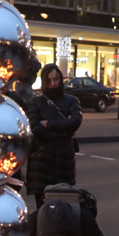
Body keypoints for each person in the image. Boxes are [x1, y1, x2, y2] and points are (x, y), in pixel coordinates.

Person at [24, 64, 82, 207]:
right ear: (44, 82)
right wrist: (64, 131)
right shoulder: (36, 102)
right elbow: (35, 128)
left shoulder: (71, 100)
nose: (53, 84)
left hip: (64, 165)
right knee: (43, 213)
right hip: (41, 165)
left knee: (63, 212)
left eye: (56, 79)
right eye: (49, 81)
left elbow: (75, 122)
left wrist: (48, 124)